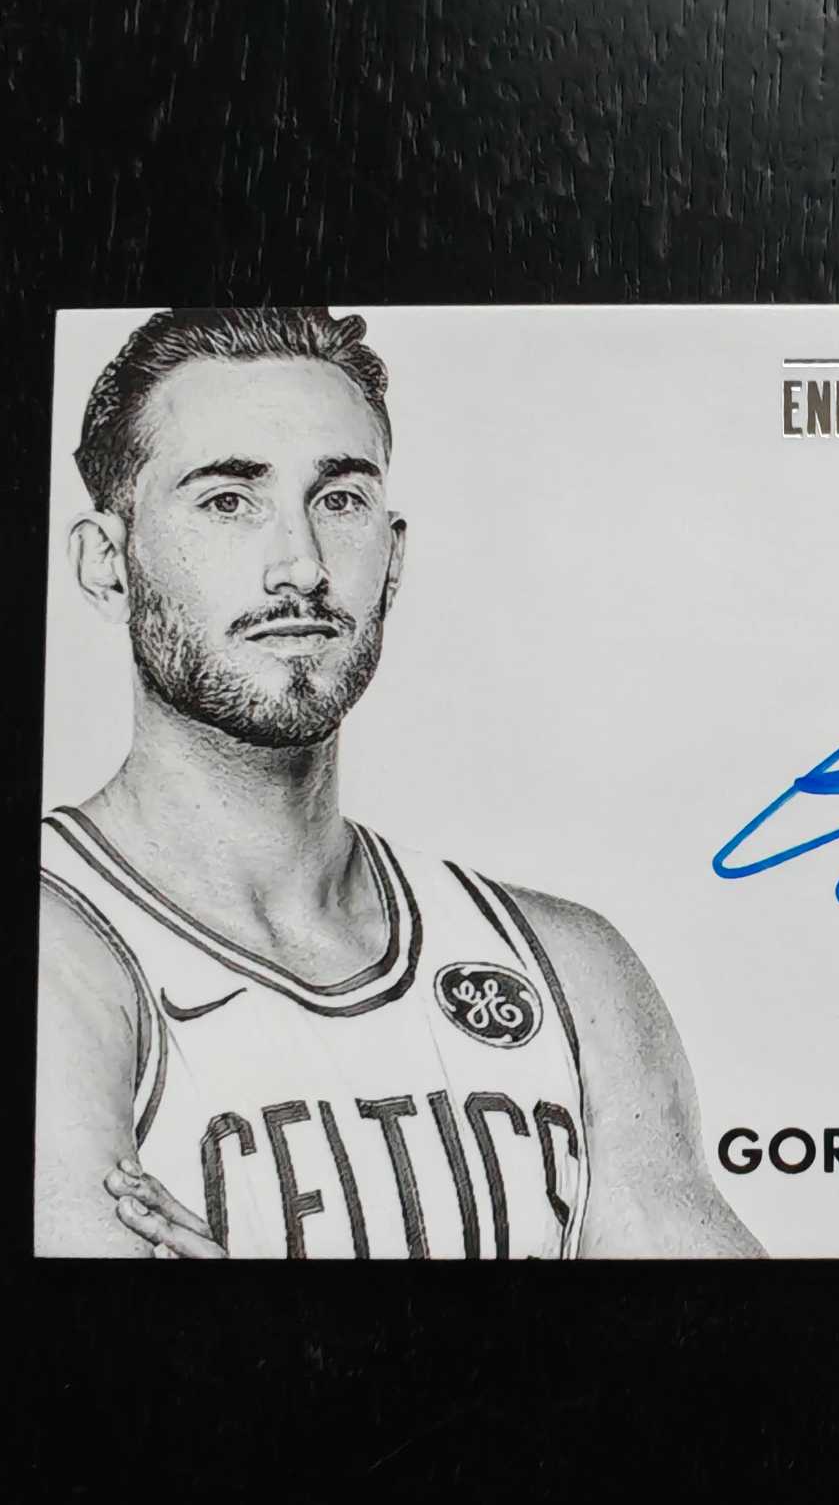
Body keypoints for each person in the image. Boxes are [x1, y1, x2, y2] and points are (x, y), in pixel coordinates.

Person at [35, 307, 763, 1260]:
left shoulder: (569, 969)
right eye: (228, 500)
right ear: (106, 566)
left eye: (339, 499)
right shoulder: (56, 951)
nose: (299, 566)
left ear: (394, 557)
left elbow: (733, 1355)